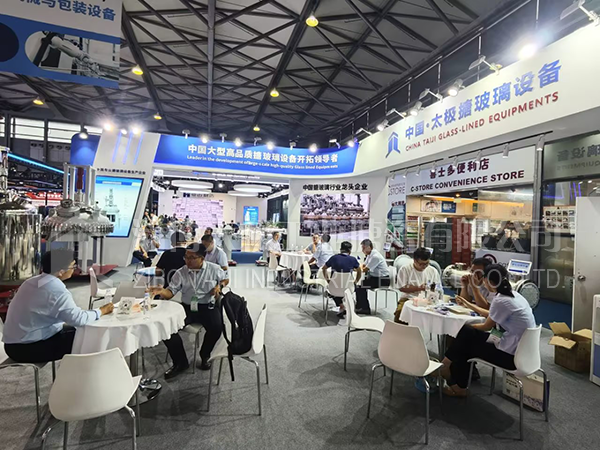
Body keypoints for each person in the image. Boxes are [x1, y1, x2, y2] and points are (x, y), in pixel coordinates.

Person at [441, 264, 536, 397]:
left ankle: (452, 376)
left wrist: (462, 328)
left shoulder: (501, 300)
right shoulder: (515, 296)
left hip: (511, 357)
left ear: (486, 280)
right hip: (523, 352)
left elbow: (487, 326)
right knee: (467, 335)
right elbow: (492, 315)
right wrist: (468, 305)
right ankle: (448, 367)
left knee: (465, 341)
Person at [2, 250, 114, 363]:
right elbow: (78, 319)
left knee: (75, 330)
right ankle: (88, 370)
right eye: (73, 266)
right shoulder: (56, 290)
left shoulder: (32, 282)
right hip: (29, 348)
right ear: (60, 272)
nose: (74, 269)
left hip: (11, 346)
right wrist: (101, 311)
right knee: (87, 336)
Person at [149, 243, 229, 378]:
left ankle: (205, 354)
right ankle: (181, 362)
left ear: (202, 258)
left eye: (192, 258)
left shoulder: (214, 269)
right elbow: (170, 292)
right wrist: (161, 291)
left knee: (217, 328)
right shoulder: (181, 272)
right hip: (187, 308)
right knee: (168, 330)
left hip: (207, 307)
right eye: (186, 257)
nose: (188, 261)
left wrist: (219, 286)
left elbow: (225, 279)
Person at [394, 247, 442, 322]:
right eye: (421, 264)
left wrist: (432, 289)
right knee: (400, 313)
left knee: (438, 316)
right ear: (414, 260)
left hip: (428, 300)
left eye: (426, 263)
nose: (424, 266)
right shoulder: (405, 269)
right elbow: (401, 287)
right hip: (408, 298)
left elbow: (438, 288)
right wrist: (419, 288)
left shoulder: (433, 271)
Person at [322, 241, 362, 317]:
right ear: (350, 250)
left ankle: (341, 305)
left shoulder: (334, 258)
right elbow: (359, 271)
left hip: (334, 288)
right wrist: (355, 281)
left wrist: (328, 280)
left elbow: (324, 268)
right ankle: (347, 306)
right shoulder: (353, 259)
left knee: (333, 289)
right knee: (349, 287)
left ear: (340, 249)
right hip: (348, 288)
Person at [355, 239, 391, 315]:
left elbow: (365, 269)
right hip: (375, 278)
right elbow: (363, 265)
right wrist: (359, 268)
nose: (362, 250)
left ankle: (365, 308)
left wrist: (358, 269)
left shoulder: (375, 256)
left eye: (363, 248)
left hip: (382, 280)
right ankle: (359, 306)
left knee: (361, 286)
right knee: (359, 285)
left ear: (369, 247)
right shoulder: (369, 255)